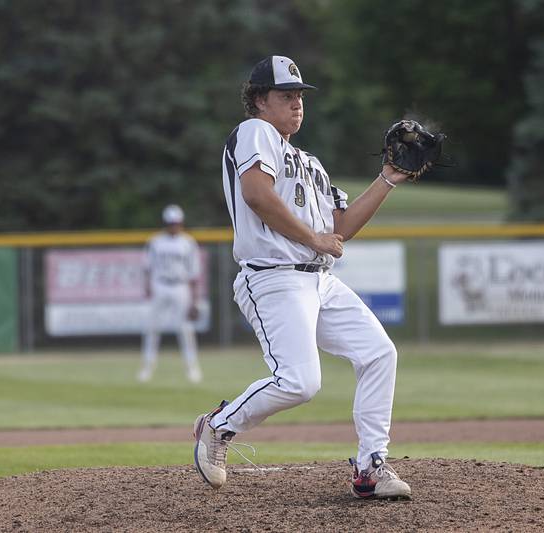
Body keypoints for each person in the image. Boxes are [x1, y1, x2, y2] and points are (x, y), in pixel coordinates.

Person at [193, 55, 412, 500]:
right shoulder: (254, 132)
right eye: (285, 95)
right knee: (299, 381)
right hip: (273, 277)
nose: (296, 104)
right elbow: (257, 195)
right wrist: (315, 238)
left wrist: (387, 179)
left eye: (299, 96)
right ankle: (218, 427)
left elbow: (342, 227)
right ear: (258, 100)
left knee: (379, 354)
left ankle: (371, 466)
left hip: (320, 280)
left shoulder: (310, 163)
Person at [138, 204, 202, 384]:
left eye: (176, 223)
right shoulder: (155, 241)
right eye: (170, 223)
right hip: (160, 284)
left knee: (185, 330)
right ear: (165, 223)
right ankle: (147, 367)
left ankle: (192, 368)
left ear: (181, 223)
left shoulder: (188, 242)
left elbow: (194, 273)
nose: (173, 226)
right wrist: (148, 286)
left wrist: (195, 300)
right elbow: (147, 267)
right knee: (152, 328)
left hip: (180, 286)